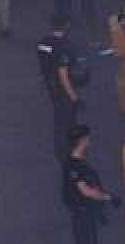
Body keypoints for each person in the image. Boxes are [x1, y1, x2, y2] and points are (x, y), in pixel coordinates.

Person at [61, 125, 117, 244]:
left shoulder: (79, 164)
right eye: (87, 138)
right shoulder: (74, 166)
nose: (89, 141)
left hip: (86, 214)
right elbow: (86, 191)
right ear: (82, 141)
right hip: (83, 216)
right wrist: (109, 197)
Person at [38, 15, 83, 159]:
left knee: (58, 122)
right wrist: (74, 98)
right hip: (64, 91)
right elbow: (63, 75)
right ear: (66, 26)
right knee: (68, 123)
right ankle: (68, 153)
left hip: (51, 87)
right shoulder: (63, 47)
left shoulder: (43, 43)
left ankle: (60, 151)